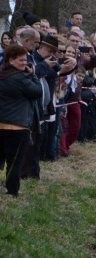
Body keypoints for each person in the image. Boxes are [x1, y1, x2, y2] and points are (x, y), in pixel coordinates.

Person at [0, 44, 42, 196]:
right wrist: (33, 74)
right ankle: (12, 192)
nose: (25, 63)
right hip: (17, 127)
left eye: (26, 60)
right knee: (14, 162)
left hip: (1, 124)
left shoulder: (2, 75)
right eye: (21, 60)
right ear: (11, 60)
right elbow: (37, 92)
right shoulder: (21, 78)